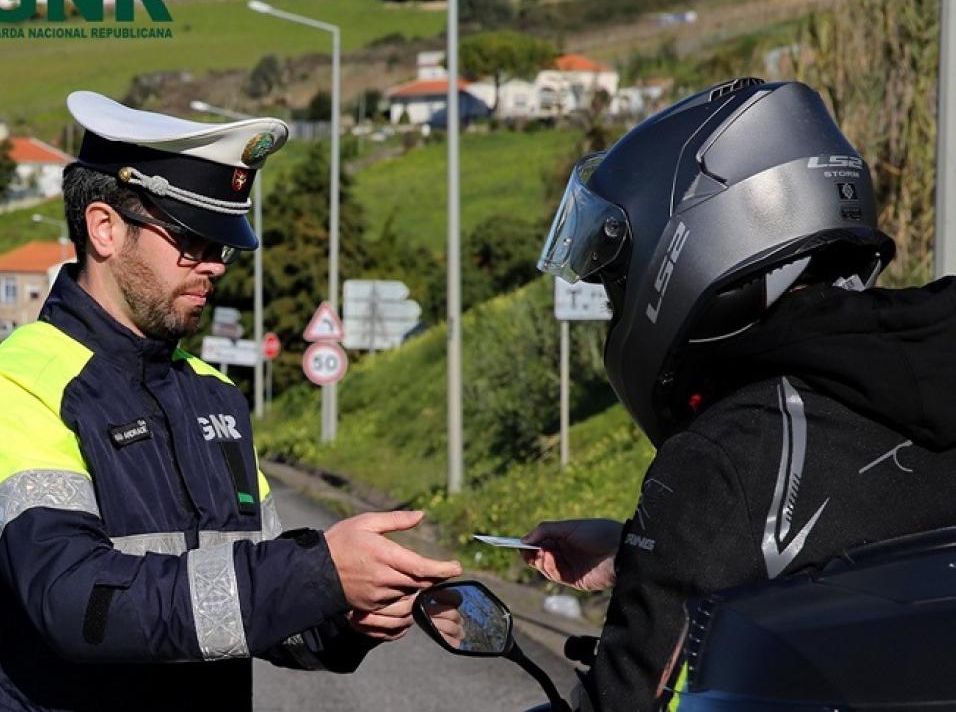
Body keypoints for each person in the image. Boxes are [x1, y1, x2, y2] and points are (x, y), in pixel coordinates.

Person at [0, 92, 462, 711]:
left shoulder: (213, 396)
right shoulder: (20, 382)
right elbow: (79, 602)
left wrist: (347, 614)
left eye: (224, 245)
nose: (215, 265)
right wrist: (316, 572)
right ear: (104, 228)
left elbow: (252, 604)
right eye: (193, 239)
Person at [525, 77, 956, 711]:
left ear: (690, 243)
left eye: (616, 282)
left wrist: (675, 539)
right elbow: (873, 562)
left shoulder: (727, 458)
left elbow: (627, 698)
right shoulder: (923, 376)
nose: (617, 303)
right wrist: (638, 553)